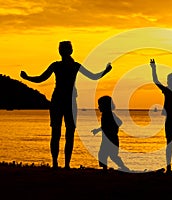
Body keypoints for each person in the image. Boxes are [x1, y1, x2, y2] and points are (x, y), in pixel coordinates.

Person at [20, 41, 112, 170]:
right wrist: (27, 77)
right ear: (71, 51)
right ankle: (60, 164)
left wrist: (27, 77)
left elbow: (41, 78)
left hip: (62, 101)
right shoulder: (66, 66)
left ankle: (58, 164)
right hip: (63, 101)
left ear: (61, 51)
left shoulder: (66, 66)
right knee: (64, 132)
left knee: (60, 132)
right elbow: (94, 76)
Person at [91, 95, 129, 172]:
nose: (98, 107)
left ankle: (121, 167)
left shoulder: (108, 115)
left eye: (100, 105)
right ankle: (109, 168)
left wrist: (113, 129)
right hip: (108, 139)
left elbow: (119, 122)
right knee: (106, 155)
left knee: (106, 155)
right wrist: (98, 130)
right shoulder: (106, 115)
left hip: (110, 139)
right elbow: (105, 126)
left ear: (105, 106)